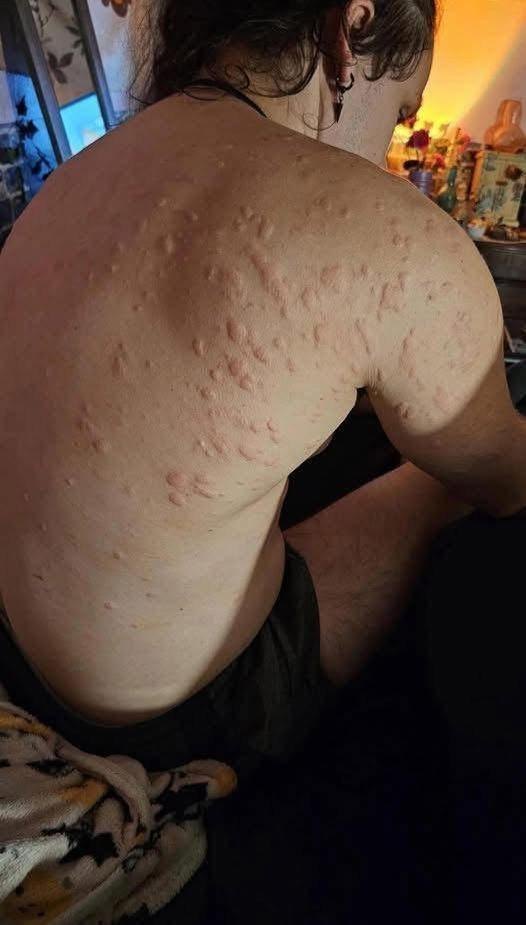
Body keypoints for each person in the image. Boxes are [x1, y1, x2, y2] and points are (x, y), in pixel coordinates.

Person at [0, 0, 525, 777]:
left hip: (18, 649)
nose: (387, 150)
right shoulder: (388, 237)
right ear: (350, 28)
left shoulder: (70, 180)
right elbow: (508, 476)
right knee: (442, 475)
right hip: (165, 716)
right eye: (399, 112)